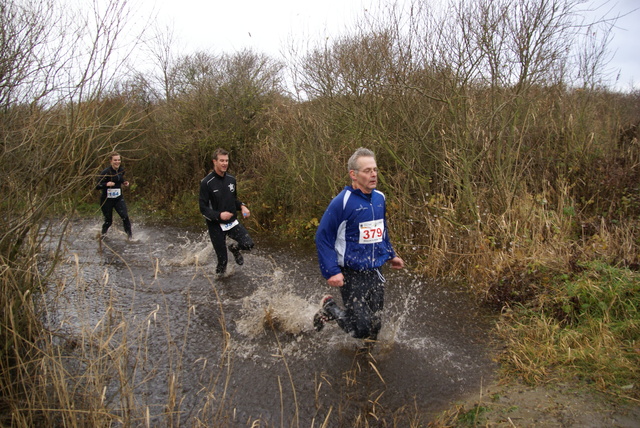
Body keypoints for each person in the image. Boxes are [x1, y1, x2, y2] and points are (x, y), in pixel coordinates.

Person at [314, 147, 404, 341]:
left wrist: (391, 255)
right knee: (360, 329)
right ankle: (330, 307)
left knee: (375, 325)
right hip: (351, 272)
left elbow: (381, 230)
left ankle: (365, 361)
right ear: (353, 175)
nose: (373, 175)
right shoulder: (342, 202)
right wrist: (331, 271)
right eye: (367, 171)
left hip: (374, 269)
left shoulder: (380, 198)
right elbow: (323, 236)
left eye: (375, 170)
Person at [199, 148, 254, 276]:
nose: (225, 163)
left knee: (248, 244)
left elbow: (232, 200)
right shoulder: (206, 183)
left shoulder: (231, 179)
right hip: (215, 225)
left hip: (231, 222)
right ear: (215, 162)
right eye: (222, 161)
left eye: (227, 161)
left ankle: (234, 249)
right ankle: (218, 287)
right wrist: (219, 215)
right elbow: (203, 208)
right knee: (222, 261)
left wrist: (242, 206)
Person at [96, 152, 133, 239]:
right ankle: (103, 236)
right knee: (108, 221)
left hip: (118, 199)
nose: (117, 162)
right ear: (110, 161)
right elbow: (97, 186)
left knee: (125, 217)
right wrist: (106, 184)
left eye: (119, 160)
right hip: (106, 200)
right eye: (115, 160)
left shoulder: (121, 170)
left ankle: (130, 238)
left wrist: (124, 182)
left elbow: (119, 179)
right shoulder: (106, 172)